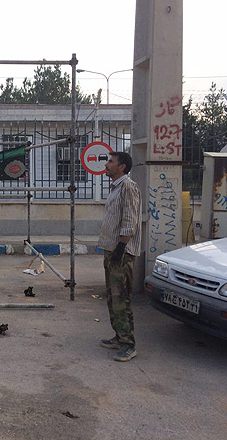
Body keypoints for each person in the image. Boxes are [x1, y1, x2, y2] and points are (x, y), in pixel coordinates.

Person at [97, 151, 142, 362]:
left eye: (110, 162)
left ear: (121, 166)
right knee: (112, 297)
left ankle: (128, 344)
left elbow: (130, 220)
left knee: (120, 297)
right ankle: (119, 336)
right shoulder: (115, 187)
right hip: (112, 251)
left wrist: (121, 248)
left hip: (121, 253)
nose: (106, 165)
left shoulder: (128, 187)